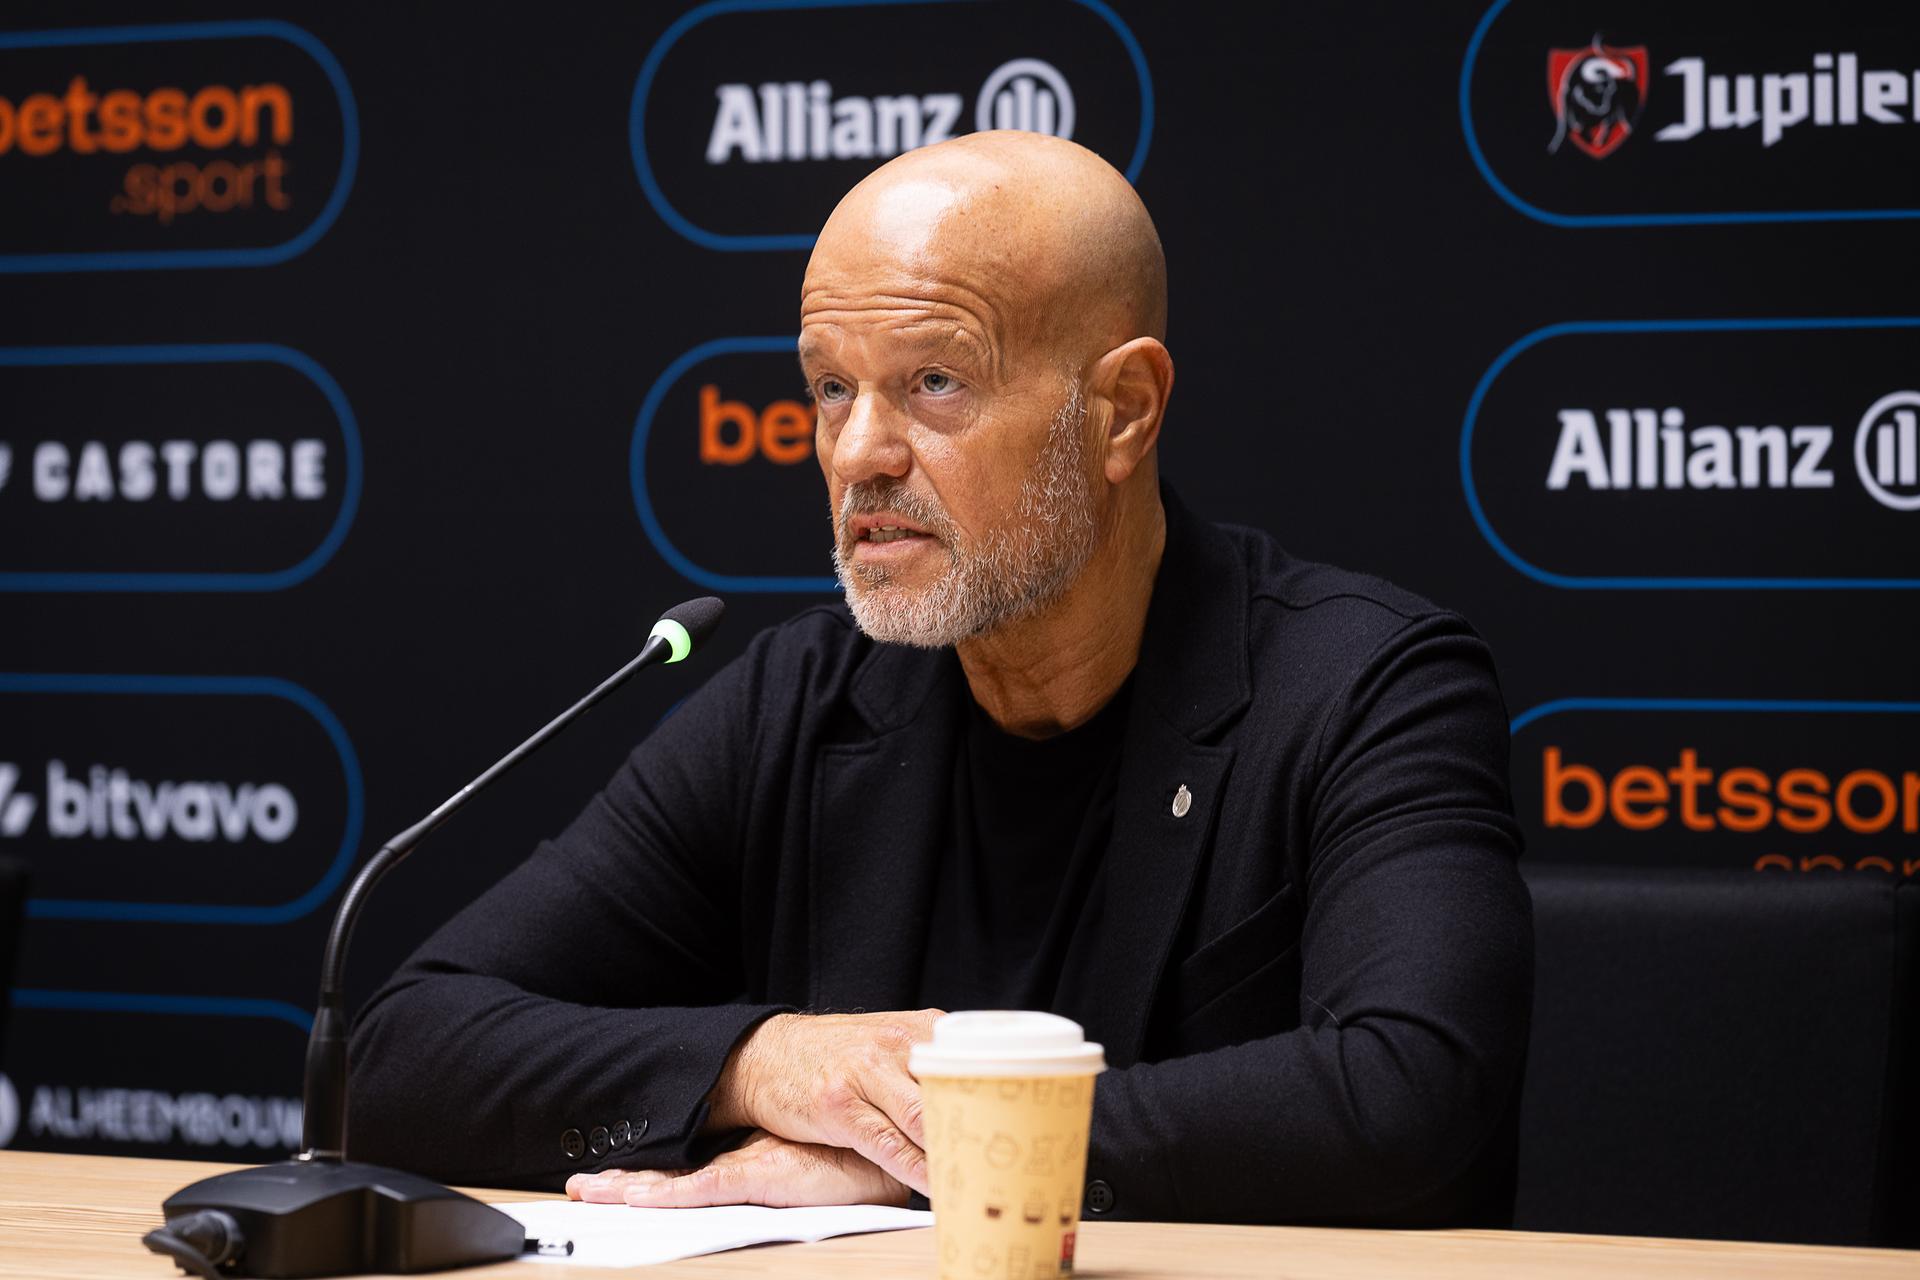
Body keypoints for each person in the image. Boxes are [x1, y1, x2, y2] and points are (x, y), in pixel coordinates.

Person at [348, 131, 1533, 1226]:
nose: (859, 450)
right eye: (829, 386)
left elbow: (1413, 1091)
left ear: (1122, 411)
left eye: (935, 383)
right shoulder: (802, 703)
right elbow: (400, 1054)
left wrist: (940, 1148)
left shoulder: (1366, 685)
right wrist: (766, 1062)